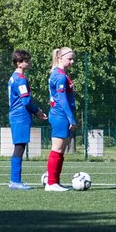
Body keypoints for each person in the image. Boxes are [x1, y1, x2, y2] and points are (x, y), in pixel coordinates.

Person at [7, 49, 47, 190]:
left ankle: (15, 180)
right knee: (19, 148)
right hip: (20, 116)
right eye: (26, 60)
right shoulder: (20, 79)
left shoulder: (14, 77)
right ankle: (15, 181)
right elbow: (26, 101)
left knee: (20, 147)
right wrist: (38, 111)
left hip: (17, 115)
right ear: (18, 63)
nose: (29, 62)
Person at [45, 47, 78, 191]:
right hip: (60, 116)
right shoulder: (59, 76)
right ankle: (51, 183)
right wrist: (71, 118)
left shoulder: (59, 74)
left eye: (72, 58)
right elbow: (62, 100)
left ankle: (55, 181)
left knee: (60, 150)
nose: (72, 61)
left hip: (60, 115)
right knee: (57, 149)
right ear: (60, 58)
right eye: (69, 58)